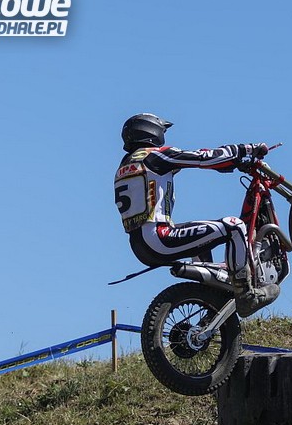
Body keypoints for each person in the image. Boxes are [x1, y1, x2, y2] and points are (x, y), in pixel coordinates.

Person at [114, 113, 280, 317]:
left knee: (201, 235)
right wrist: (244, 149)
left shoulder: (127, 165)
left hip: (139, 245)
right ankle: (246, 295)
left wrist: (230, 165)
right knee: (234, 225)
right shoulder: (155, 156)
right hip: (159, 238)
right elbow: (202, 157)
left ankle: (212, 298)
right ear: (151, 131)